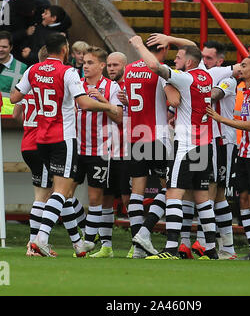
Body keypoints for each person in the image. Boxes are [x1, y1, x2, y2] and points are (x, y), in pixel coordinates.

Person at [10, 33, 118, 257]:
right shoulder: (67, 71)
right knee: (61, 192)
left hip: (40, 139)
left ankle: (74, 243)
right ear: (65, 50)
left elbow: (13, 98)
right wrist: (108, 107)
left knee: (56, 192)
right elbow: (84, 103)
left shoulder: (33, 70)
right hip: (62, 138)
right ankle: (41, 239)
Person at [130, 36, 218, 260]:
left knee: (173, 193)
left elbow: (155, 66)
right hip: (205, 145)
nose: (175, 60)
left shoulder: (185, 78)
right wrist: (170, 39)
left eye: (178, 57)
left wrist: (139, 44)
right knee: (202, 198)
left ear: (188, 62)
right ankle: (211, 251)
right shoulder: (205, 76)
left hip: (186, 145)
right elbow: (193, 49)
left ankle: (170, 249)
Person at [206, 56, 250, 260]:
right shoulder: (244, 92)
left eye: (244, 66)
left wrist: (221, 119)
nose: (240, 68)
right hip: (243, 152)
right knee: (242, 201)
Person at [123, 41, 181, 259]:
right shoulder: (160, 70)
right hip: (157, 136)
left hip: (135, 136)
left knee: (136, 193)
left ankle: (138, 246)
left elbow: (131, 99)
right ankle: (145, 233)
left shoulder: (129, 70)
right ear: (163, 49)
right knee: (171, 188)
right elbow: (174, 101)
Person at [73, 46, 124, 256]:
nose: (85, 66)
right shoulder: (76, 84)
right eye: (84, 62)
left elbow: (120, 117)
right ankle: (89, 232)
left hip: (101, 150)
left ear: (101, 66)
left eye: (90, 62)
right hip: (76, 147)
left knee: (96, 199)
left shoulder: (111, 87)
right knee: (64, 195)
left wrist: (101, 100)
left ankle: (88, 241)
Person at [12, 45, 54, 257]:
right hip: (41, 144)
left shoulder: (28, 83)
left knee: (42, 194)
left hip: (26, 143)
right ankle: (34, 245)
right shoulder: (51, 84)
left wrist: (29, 125)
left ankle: (36, 243)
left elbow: (14, 113)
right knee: (43, 196)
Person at [89, 51, 131, 258]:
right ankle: (106, 246)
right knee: (105, 198)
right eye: (110, 65)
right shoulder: (104, 86)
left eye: (116, 65)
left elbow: (121, 119)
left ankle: (136, 244)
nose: (112, 68)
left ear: (125, 66)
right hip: (106, 151)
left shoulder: (129, 88)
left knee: (127, 198)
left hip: (127, 150)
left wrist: (103, 101)